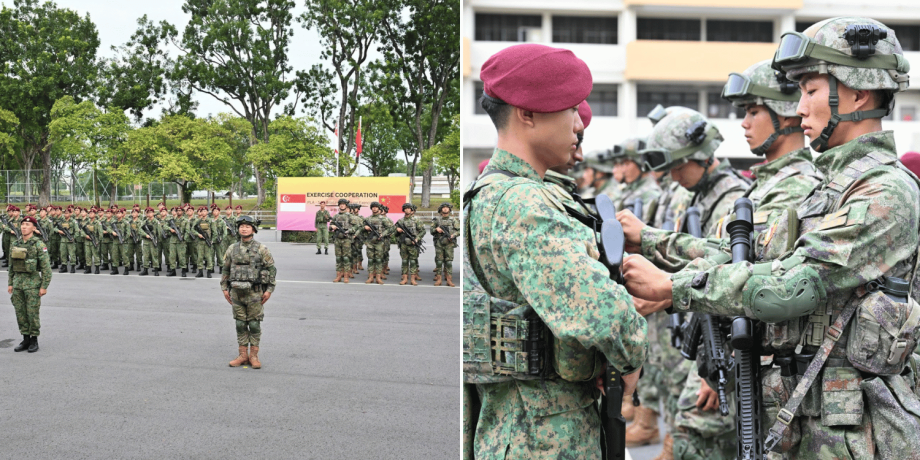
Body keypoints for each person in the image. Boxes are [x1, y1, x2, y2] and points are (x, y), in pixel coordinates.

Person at [623, 17, 920, 459]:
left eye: (811, 91)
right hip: (807, 414)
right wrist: (651, 243)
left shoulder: (885, 192)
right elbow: (747, 255)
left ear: (858, 93)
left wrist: (673, 287)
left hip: (856, 432)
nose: (799, 107)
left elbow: (789, 286)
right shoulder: (829, 187)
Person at [463, 43, 647, 460]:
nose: (576, 126)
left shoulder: (492, 194)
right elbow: (601, 314)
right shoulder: (523, 202)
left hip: (519, 422)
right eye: (569, 111)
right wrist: (630, 359)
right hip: (544, 432)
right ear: (528, 113)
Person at [221, 215, 276, 369]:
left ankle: (254, 355)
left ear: (253, 229)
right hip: (237, 292)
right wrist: (224, 288)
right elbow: (225, 268)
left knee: (254, 324)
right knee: (240, 323)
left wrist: (269, 290)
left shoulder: (261, 249)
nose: (243, 229)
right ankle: (243, 354)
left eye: (247, 226)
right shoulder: (232, 248)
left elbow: (271, 269)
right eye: (241, 226)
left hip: (255, 293)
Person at [9, 216, 53, 353]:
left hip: (32, 284)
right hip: (18, 284)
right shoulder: (16, 243)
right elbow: (11, 266)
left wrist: (44, 286)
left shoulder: (39, 245)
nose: (24, 227)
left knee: (32, 313)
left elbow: (46, 268)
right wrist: (10, 283)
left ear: (34, 228)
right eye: (22, 224)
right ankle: (25, 338)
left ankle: (34, 339)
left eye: (27, 224)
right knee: (20, 313)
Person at [608, 137, 662, 224]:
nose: (623, 169)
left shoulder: (650, 193)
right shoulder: (630, 190)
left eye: (627, 164)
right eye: (622, 164)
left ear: (640, 163)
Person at [357, 202, 394, 284]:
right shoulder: (368, 219)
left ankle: (378, 277)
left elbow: (391, 228)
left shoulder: (383, 219)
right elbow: (360, 229)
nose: (374, 208)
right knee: (370, 260)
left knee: (378, 260)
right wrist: (364, 228)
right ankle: (370, 277)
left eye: (376, 207)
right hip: (370, 242)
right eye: (373, 207)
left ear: (379, 208)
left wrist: (383, 234)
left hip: (379, 243)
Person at [395, 203, 426, 286]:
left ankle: (413, 279)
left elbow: (423, 231)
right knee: (404, 261)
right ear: (403, 210)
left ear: (412, 210)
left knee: (412, 261)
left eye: (409, 208)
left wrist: (417, 239)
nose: (407, 210)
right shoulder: (401, 221)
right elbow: (394, 233)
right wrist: (397, 230)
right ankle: (405, 278)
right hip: (403, 244)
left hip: (412, 244)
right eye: (405, 208)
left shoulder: (416, 220)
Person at [431, 203, 459, 287]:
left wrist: (453, 235)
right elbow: (431, 230)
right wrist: (436, 229)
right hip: (439, 243)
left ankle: (449, 280)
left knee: (449, 262)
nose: (446, 209)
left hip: (449, 244)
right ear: (441, 209)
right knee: (439, 262)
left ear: (449, 210)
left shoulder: (453, 220)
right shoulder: (437, 220)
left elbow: (459, 230)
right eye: (444, 208)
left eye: (447, 208)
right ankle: (439, 279)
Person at [330, 198, 356, 283]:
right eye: (340, 204)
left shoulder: (350, 216)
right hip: (337, 239)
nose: (342, 205)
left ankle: (346, 276)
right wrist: (332, 227)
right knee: (338, 258)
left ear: (346, 205)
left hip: (346, 240)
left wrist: (349, 231)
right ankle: (338, 276)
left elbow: (356, 227)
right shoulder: (336, 216)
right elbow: (330, 226)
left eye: (343, 204)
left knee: (346, 258)